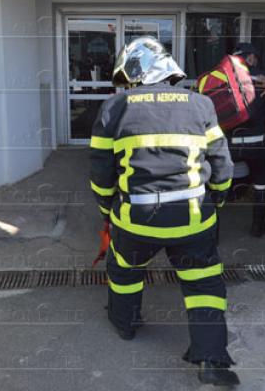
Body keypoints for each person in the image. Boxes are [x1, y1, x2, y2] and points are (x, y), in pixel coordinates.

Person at [90, 36, 238, 386]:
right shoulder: (201, 105)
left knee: (124, 272)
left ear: (134, 72)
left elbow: (100, 171)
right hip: (193, 219)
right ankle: (212, 360)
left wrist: (106, 208)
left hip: (135, 219)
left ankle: (125, 325)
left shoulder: (115, 107)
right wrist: (216, 202)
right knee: (204, 283)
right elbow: (222, 164)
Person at [226, 43, 265, 237]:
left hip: (229, 144)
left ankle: (212, 233)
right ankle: (258, 226)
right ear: (252, 58)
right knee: (261, 181)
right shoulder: (262, 78)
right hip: (257, 143)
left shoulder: (224, 78)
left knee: (216, 182)